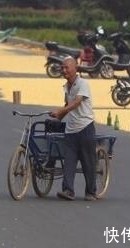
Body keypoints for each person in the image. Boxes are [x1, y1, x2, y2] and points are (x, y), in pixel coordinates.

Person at [49, 57, 98, 201]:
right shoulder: (66, 87)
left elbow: (76, 102)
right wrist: (57, 117)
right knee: (69, 163)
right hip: (70, 130)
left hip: (85, 128)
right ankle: (68, 191)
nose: (64, 70)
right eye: (62, 68)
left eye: (67, 68)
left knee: (88, 162)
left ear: (75, 69)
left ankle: (91, 192)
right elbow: (67, 105)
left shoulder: (83, 83)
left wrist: (60, 111)